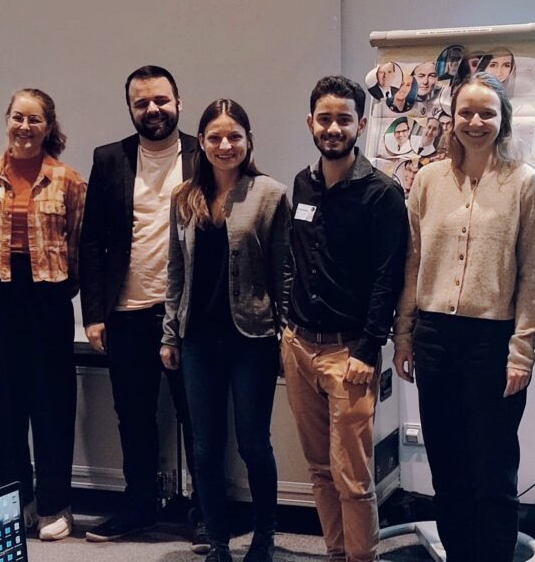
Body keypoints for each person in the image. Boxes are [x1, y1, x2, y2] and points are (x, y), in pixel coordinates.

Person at [393, 72, 535, 562]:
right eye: (466, 112)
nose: (475, 122)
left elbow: (534, 274)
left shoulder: (526, 184)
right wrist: (404, 335)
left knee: (493, 467)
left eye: (487, 113)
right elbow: (413, 262)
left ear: (503, 119)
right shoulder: (427, 180)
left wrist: (522, 351)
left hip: (493, 341)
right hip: (435, 336)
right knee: (447, 464)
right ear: (452, 118)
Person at [78, 65, 206, 550]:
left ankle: (206, 511)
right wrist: (94, 314)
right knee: (132, 416)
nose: (152, 110)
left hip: (188, 315)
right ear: (131, 109)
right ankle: (138, 506)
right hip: (127, 311)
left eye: (160, 100)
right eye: (141, 103)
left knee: (198, 416)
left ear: (178, 101)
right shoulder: (109, 159)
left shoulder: (204, 153)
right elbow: (92, 241)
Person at [281, 75, 408, 562]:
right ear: (310, 122)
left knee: (352, 476)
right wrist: (286, 324)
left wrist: (368, 348)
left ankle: (360, 558)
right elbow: (295, 258)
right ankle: (337, 554)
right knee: (318, 468)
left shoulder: (381, 193)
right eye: (324, 119)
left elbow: (387, 277)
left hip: (349, 352)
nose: (333, 128)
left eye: (343, 119)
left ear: (362, 124)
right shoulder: (304, 184)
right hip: (299, 345)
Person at [161, 99, 290, 562]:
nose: (225, 145)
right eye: (215, 137)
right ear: (202, 142)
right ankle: (216, 541)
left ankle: (264, 536)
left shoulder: (270, 194)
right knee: (204, 445)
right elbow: (176, 271)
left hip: (252, 338)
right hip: (198, 338)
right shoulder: (184, 197)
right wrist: (170, 334)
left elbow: (284, 272)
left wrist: (285, 335)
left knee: (253, 443)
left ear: (248, 141)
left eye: (234, 136)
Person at [0, 88, 86, 541]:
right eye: (18, 117)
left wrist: (56, 290)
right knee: (7, 409)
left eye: (35, 119)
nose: (25, 127)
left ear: (48, 126)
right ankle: (15, 503)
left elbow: (79, 246)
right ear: (7, 119)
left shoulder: (68, 181)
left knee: (51, 406)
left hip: (48, 302)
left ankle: (55, 505)